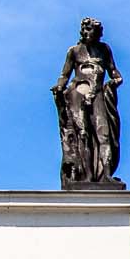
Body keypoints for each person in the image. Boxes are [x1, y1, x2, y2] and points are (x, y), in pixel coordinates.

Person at [52, 16, 123, 187]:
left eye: (91, 30)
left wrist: (116, 80)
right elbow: (65, 75)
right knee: (82, 134)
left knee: (103, 133)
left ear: (98, 33)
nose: (87, 32)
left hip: (97, 94)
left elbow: (114, 72)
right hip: (77, 94)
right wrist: (59, 87)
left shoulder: (104, 50)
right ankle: (86, 176)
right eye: (85, 29)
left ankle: (106, 175)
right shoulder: (74, 51)